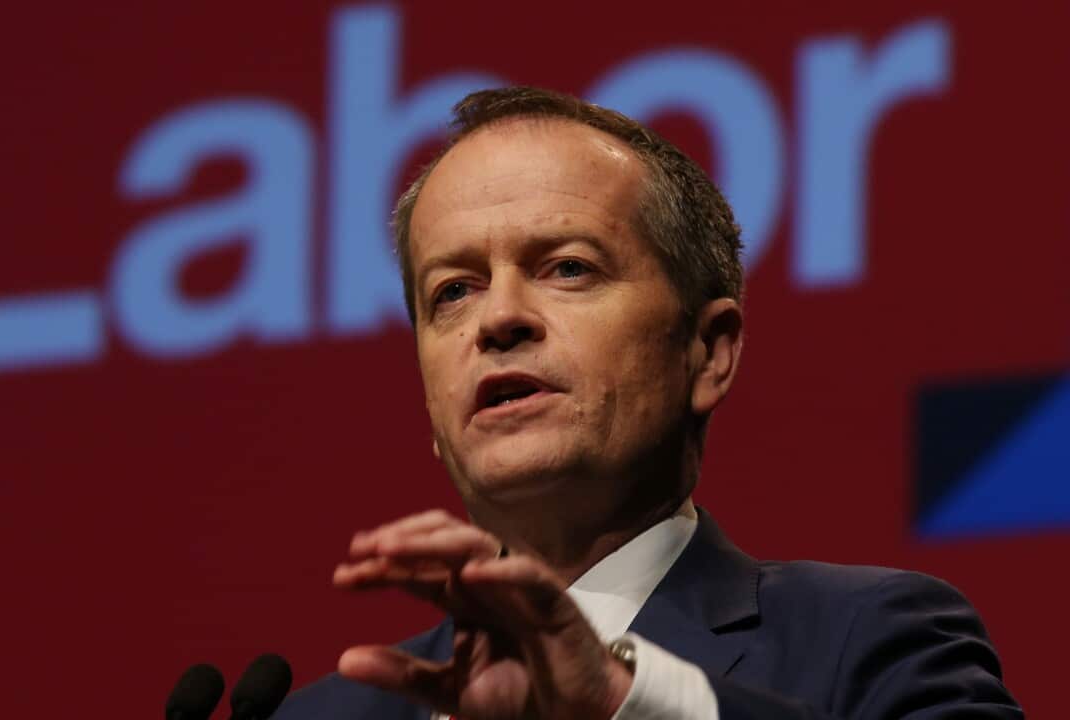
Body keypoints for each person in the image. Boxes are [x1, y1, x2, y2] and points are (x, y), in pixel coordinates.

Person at [272, 87, 1023, 719]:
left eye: (567, 267)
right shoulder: (321, 712)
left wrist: (622, 698)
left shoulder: (869, 642)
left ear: (709, 352)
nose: (497, 319)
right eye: (453, 291)